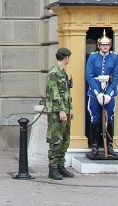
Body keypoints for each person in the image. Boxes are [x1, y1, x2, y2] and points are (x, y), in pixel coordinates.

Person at [86, 32, 118, 157]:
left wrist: (110, 93)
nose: (105, 47)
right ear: (99, 46)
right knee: (95, 118)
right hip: (95, 92)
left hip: (109, 91)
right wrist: (98, 93)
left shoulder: (115, 57)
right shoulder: (93, 57)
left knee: (109, 118)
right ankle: (94, 145)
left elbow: (116, 77)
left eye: (107, 45)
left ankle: (110, 145)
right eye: (103, 45)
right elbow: (89, 76)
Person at [45, 46, 74, 180]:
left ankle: (61, 166)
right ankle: (53, 168)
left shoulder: (63, 72)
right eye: (69, 58)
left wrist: (70, 109)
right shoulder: (54, 72)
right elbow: (54, 93)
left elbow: (67, 93)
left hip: (65, 111)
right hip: (57, 112)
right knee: (55, 140)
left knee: (65, 140)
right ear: (66, 58)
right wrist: (61, 110)